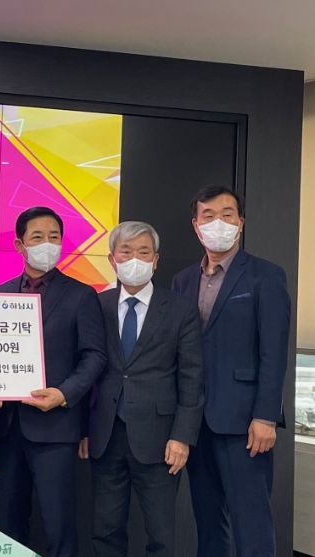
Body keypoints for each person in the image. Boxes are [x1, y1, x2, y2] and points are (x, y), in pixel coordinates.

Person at [0, 206, 106, 557]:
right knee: (7, 522)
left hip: (56, 427)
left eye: (54, 237)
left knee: (58, 523)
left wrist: (64, 393)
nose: (47, 244)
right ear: (19, 245)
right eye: (38, 237)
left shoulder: (81, 295)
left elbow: (95, 356)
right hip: (6, 427)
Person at [172, 185, 290, 557]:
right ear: (196, 225)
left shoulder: (265, 276)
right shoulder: (183, 281)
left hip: (244, 423)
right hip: (196, 422)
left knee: (251, 524)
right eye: (208, 215)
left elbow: (274, 352)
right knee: (208, 524)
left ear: (240, 221)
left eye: (227, 214)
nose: (218, 222)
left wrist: (265, 416)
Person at [86, 221, 203, 557]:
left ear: (156, 260)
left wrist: (182, 436)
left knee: (161, 535)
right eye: (126, 252)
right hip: (106, 434)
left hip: (161, 438)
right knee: (105, 531)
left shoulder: (180, 308)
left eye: (143, 252)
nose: (134, 259)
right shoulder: (97, 305)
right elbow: (88, 367)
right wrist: (83, 430)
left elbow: (192, 376)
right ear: (112, 259)